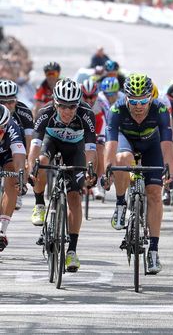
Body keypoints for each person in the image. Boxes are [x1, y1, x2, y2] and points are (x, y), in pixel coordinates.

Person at [104, 74, 173, 274]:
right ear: (126, 97)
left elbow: (167, 145)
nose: (138, 106)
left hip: (151, 145)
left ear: (150, 98)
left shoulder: (160, 109)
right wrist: (107, 171)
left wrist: (170, 172)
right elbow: (110, 144)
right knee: (122, 158)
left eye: (143, 101)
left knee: (155, 194)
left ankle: (153, 250)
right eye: (133, 101)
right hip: (125, 140)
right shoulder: (116, 109)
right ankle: (121, 204)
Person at [28, 78, 96, 272]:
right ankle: (39, 204)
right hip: (51, 142)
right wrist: (32, 168)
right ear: (55, 103)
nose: (67, 111)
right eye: (63, 106)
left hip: (75, 149)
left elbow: (91, 149)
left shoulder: (86, 114)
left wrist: (90, 169)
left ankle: (72, 251)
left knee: (74, 196)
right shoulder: (45, 112)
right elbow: (34, 146)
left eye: (72, 106)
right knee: (40, 162)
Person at [0, 79, 34, 210]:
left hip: (17, 143)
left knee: (21, 157)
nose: (7, 105)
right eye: (2, 101)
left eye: (10, 102)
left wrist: (26, 163)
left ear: (16, 100)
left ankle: (18, 187)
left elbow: (29, 139)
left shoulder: (24, 112)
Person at [0, 104, 27, 251]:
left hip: (7, 154)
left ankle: (2, 230)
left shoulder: (12, 127)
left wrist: (21, 176)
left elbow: (19, 157)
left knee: (13, 176)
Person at [81, 78, 106, 200]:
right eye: (86, 97)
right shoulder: (76, 102)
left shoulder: (101, 103)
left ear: (96, 95)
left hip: (97, 125)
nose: (89, 100)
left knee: (99, 149)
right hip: (81, 127)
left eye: (92, 97)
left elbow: (107, 121)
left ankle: (98, 182)